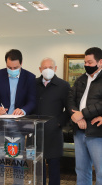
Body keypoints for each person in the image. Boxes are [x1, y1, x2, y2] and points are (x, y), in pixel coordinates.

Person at [0, 49, 36, 184]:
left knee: (17, 159)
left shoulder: (30, 77)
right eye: (9, 67)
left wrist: (23, 110)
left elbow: (32, 100)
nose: (12, 69)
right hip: (1, 123)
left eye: (15, 67)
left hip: (18, 125)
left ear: (21, 63)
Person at [67, 47, 102, 185]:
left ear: (100, 62)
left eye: (90, 62)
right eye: (85, 62)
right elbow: (70, 99)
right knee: (81, 169)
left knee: (100, 171)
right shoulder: (81, 79)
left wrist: (83, 114)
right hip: (79, 131)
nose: (86, 65)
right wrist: (76, 115)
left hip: (97, 132)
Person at [35, 58, 70, 185]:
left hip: (54, 131)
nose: (47, 69)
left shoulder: (63, 85)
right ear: (40, 69)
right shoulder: (33, 83)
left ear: (55, 69)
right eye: (44, 67)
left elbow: (69, 108)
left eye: (50, 67)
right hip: (36, 131)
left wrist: (58, 122)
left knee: (54, 164)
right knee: (38, 165)